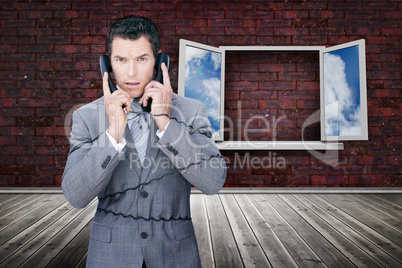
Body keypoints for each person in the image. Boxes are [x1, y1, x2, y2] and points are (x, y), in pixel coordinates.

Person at [62, 15, 227, 268]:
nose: (131, 72)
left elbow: (213, 181)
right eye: (120, 60)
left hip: (175, 255)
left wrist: (166, 122)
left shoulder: (192, 110)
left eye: (141, 59)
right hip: (111, 257)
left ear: (160, 62)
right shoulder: (86, 117)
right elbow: (75, 195)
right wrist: (113, 132)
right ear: (106, 65)